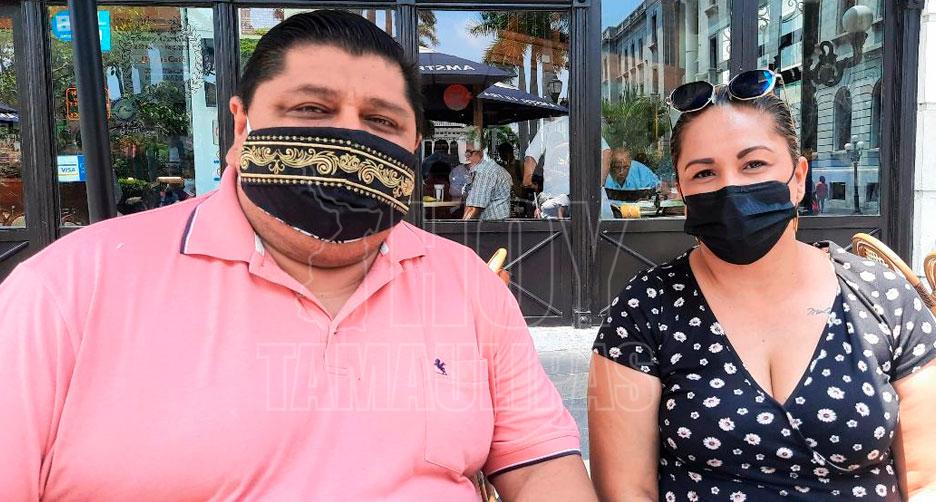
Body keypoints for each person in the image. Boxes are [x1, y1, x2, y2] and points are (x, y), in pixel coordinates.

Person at [0, 11, 595, 500]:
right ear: (241, 126)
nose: (348, 138)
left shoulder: (466, 283)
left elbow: (538, 463)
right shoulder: (70, 288)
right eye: (311, 110)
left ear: (414, 147)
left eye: (380, 121)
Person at [588, 70, 936, 501]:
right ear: (682, 191)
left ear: (798, 178)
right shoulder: (645, 309)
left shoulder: (885, 298)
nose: (731, 186)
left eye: (754, 164)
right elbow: (626, 490)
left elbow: (933, 481)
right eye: (704, 173)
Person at [523, 114, 611, 218]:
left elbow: (531, 157)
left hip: (555, 197)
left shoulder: (548, 128)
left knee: (554, 225)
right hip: (584, 197)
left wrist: (527, 181)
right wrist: (597, 185)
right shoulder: (584, 128)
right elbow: (606, 153)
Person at [600, 149, 660, 219]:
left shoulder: (641, 172)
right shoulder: (603, 175)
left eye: (625, 167)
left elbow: (660, 189)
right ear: (610, 167)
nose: (621, 172)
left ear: (630, 164)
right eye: (617, 167)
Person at [463, 138, 512, 221]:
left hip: (492, 225)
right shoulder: (491, 168)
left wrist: (461, 227)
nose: (466, 158)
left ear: (480, 152)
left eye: (468, 153)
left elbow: (473, 208)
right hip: (499, 223)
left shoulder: (485, 172)